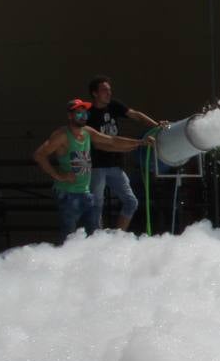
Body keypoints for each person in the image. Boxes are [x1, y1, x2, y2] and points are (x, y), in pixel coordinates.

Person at [33, 99, 152, 244]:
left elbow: (111, 141)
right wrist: (58, 175)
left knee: (94, 236)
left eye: (85, 112)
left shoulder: (87, 132)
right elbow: (39, 155)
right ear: (70, 116)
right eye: (78, 113)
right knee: (69, 239)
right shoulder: (62, 135)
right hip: (68, 194)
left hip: (85, 193)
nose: (83, 116)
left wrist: (140, 142)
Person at [86, 76, 163, 231]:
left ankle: (117, 237)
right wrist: (134, 145)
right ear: (94, 93)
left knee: (131, 201)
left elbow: (136, 115)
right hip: (97, 166)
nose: (108, 93)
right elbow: (101, 145)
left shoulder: (114, 105)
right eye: (104, 90)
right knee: (96, 205)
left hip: (115, 165)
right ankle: (95, 240)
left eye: (109, 90)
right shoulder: (89, 114)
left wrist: (157, 125)